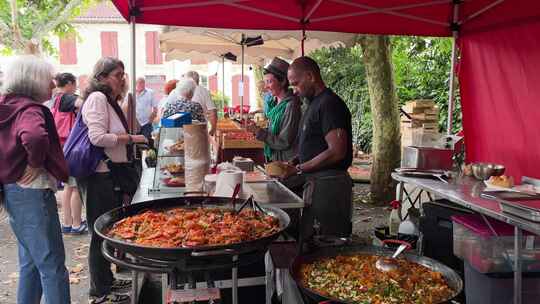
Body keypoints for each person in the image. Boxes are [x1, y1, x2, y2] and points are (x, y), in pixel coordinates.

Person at [0, 55, 71, 304]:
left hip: (12, 190)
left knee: (30, 262)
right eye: (48, 79)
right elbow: (35, 137)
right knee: (52, 266)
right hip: (32, 191)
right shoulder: (30, 109)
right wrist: (35, 162)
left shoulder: (6, 105)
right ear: (33, 81)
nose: (53, 85)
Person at [77, 57, 147, 304]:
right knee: (100, 232)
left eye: (123, 74)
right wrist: (130, 138)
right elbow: (97, 137)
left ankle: (107, 281)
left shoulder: (107, 100)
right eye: (117, 74)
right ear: (102, 77)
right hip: (99, 176)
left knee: (108, 230)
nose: (122, 79)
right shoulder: (97, 99)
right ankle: (99, 292)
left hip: (108, 174)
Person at [284, 56, 354, 240]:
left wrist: (299, 168)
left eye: (296, 84)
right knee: (311, 238)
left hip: (330, 185)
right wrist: (295, 160)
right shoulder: (314, 103)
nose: (294, 90)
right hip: (316, 182)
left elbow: (337, 152)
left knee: (328, 243)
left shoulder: (330, 104)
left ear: (310, 76)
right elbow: (314, 143)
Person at [51, 73, 88, 235]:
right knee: (75, 187)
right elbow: (83, 104)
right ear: (69, 84)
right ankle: (76, 223)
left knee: (67, 187)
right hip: (72, 146)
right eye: (74, 84)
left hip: (61, 146)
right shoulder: (67, 98)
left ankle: (66, 223)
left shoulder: (55, 99)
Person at [247, 57, 302, 162]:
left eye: (269, 82)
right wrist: (256, 129)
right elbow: (274, 131)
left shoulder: (291, 106)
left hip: (287, 164)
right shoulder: (275, 104)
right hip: (275, 159)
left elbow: (284, 142)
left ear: (282, 81)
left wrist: (259, 132)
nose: (266, 86)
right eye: (265, 82)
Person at [135, 77, 158, 142]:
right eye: (139, 83)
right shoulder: (131, 92)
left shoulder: (150, 92)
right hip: (135, 124)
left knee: (146, 143)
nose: (141, 84)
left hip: (146, 123)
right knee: (136, 144)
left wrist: (150, 120)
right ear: (136, 83)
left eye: (142, 83)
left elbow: (155, 108)